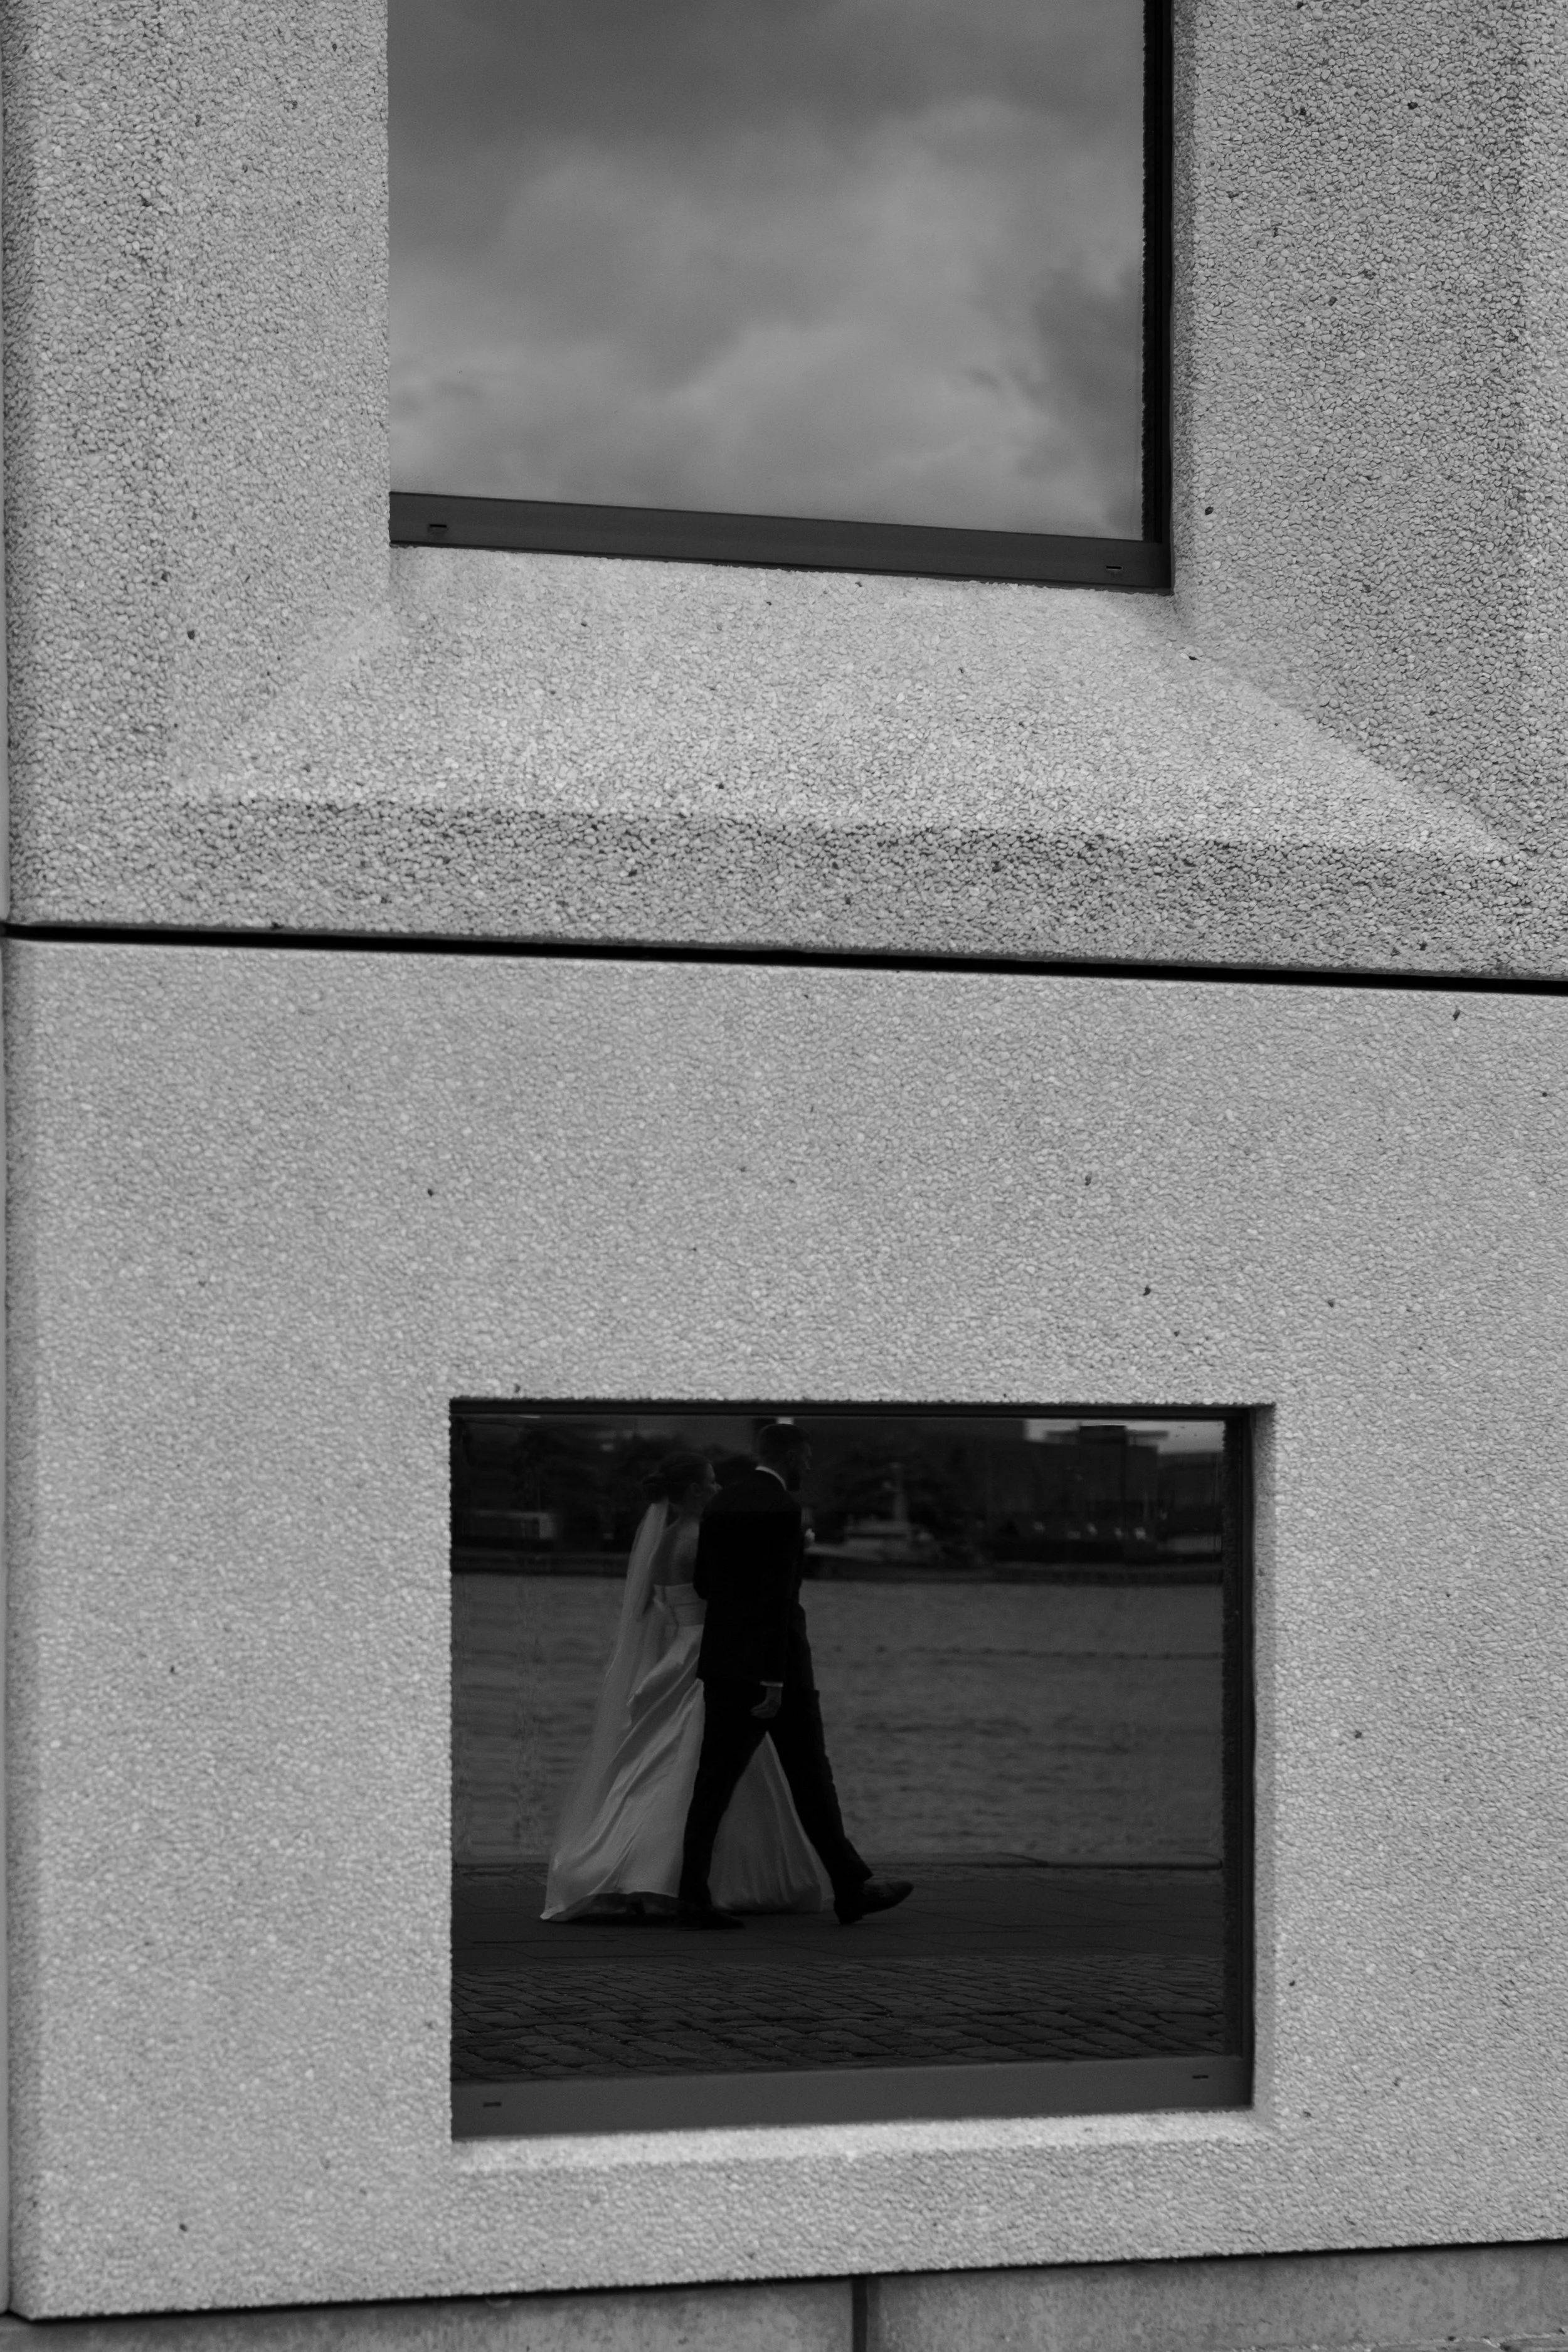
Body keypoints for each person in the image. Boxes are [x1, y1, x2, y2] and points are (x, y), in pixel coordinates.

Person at [541, 1449, 829, 1920]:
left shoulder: (664, 1541)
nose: (718, 1490)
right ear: (695, 1491)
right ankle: (688, 1877)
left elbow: (657, 1611)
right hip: (708, 1654)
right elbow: (735, 1593)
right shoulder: (697, 1538)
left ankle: (654, 1869)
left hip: (678, 1651)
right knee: (702, 1766)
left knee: (661, 1762)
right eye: (712, 1483)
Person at [677, 1421, 914, 1931]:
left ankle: (693, 1894)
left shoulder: (722, 1504)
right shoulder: (784, 1510)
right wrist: (773, 1680)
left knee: (712, 1783)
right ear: (789, 1456)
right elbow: (777, 1598)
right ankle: (850, 1888)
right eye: (806, 1458)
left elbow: (705, 1585)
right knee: (812, 1779)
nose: (808, 1466)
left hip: (724, 1663)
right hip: (779, 1670)